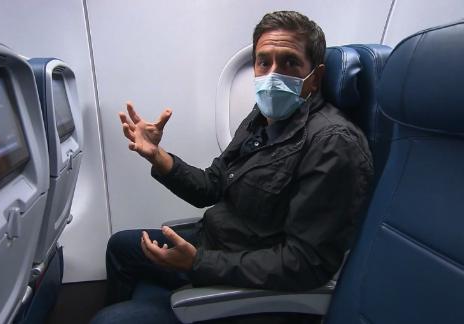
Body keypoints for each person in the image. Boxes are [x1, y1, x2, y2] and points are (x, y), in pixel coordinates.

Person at [91, 10, 373, 324]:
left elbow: (305, 263)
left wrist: (197, 263)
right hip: (214, 244)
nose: (272, 75)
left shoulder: (333, 145)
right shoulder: (262, 118)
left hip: (246, 282)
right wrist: (157, 155)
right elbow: (213, 184)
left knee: (110, 321)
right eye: (264, 62)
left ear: (315, 77)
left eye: (289, 62)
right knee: (120, 246)